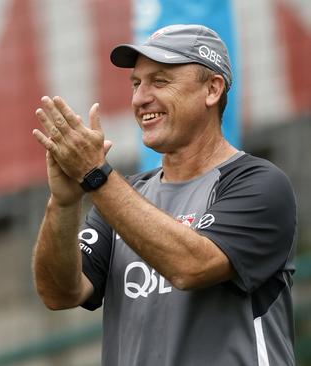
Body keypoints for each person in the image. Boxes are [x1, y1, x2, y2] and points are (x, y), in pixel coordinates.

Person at [31, 24, 296, 365]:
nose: (140, 98)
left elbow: (191, 267)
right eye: (136, 83)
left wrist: (95, 176)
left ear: (212, 90)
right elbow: (59, 293)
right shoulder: (123, 194)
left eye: (160, 81)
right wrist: (64, 202)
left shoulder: (258, 183)